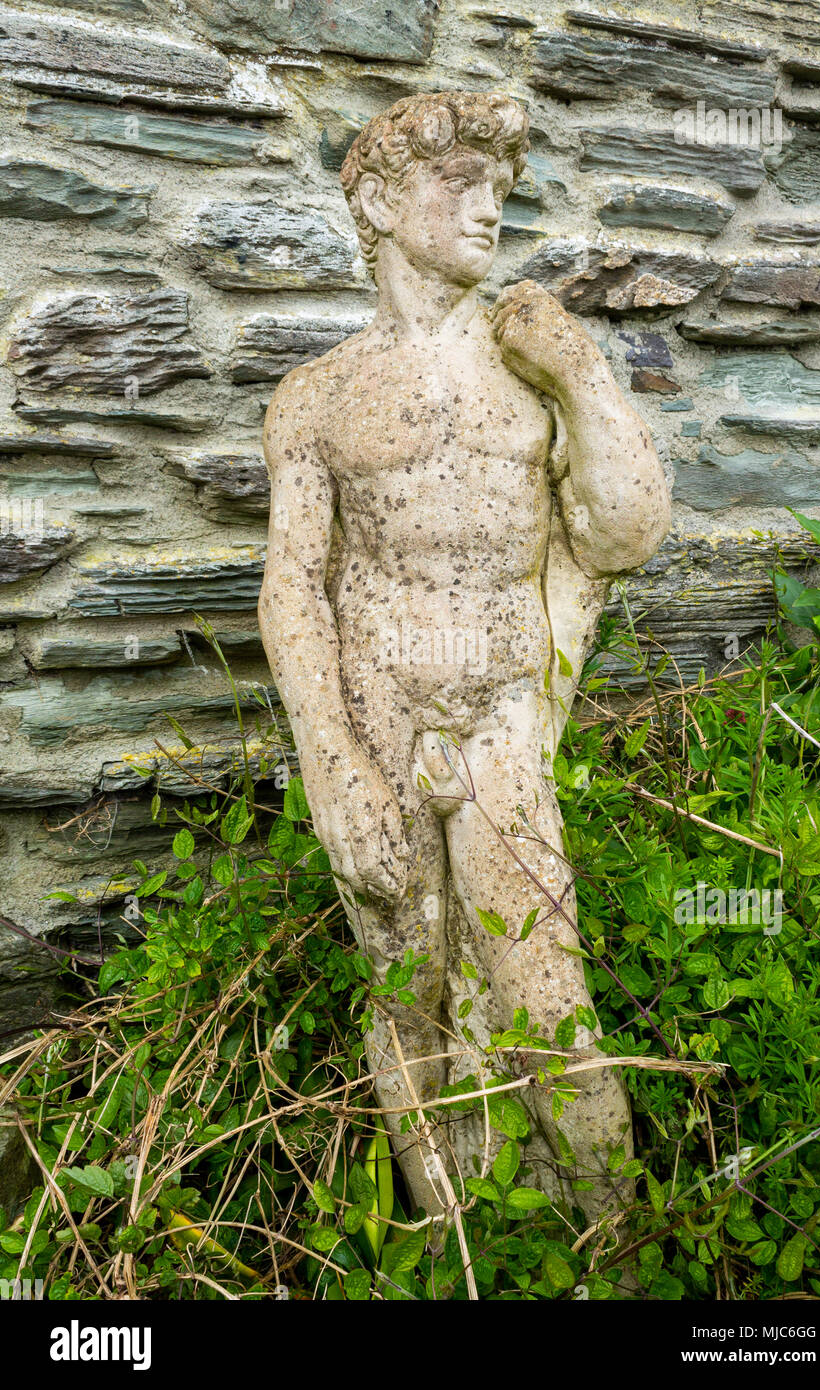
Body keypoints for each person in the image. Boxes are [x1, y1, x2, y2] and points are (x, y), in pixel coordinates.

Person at [259, 91, 670, 1225]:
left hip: (503, 722)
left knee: (548, 999)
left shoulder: (527, 358)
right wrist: (330, 760)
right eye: (460, 185)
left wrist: (582, 372)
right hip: (379, 714)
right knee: (411, 998)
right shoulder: (317, 394)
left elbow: (624, 535)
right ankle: (451, 1243)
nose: (490, 207)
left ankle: (619, 1247)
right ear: (383, 202)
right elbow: (291, 584)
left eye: (500, 186)